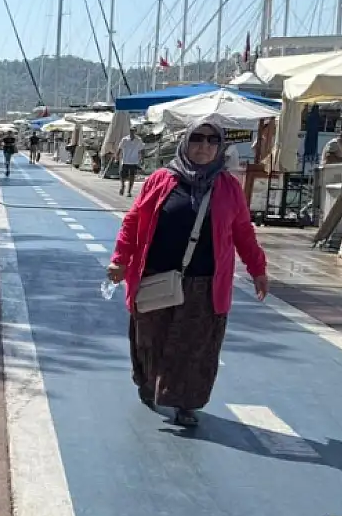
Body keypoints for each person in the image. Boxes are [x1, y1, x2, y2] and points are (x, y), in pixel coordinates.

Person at [107, 123, 268, 429]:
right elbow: (133, 221)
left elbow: (243, 232)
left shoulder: (229, 187)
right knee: (150, 340)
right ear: (185, 141)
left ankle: (185, 402)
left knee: (195, 347)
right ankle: (148, 382)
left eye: (211, 140)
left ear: (220, 147)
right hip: (157, 276)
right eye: (197, 138)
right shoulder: (161, 179)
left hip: (205, 283)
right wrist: (120, 261)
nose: (204, 146)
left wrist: (258, 269)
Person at [117, 129, 145, 197]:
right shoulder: (125, 139)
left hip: (134, 161)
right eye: (131, 131)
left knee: (132, 176)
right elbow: (120, 148)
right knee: (122, 175)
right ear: (129, 131)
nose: (132, 132)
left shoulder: (138, 140)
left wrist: (142, 159)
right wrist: (117, 157)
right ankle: (123, 186)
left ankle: (129, 191)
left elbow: (142, 149)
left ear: (135, 132)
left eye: (133, 131)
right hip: (125, 160)